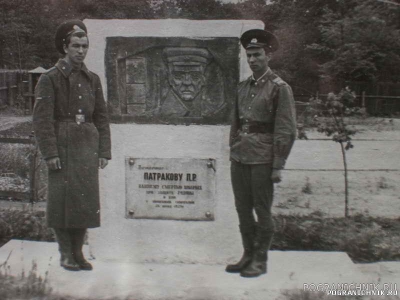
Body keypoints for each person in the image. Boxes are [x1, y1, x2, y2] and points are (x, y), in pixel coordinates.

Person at [33, 20, 111, 271]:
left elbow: (101, 116)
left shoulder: (93, 79)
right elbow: (42, 120)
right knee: (61, 201)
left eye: (84, 46)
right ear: (65, 47)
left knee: (84, 201)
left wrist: (104, 151)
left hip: (87, 145)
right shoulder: (50, 78)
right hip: (62, 146)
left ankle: (78, 253)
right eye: (76, 45)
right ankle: (65, 254)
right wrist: (50, 153)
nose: (81, 51)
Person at [226, 29, 296, 277]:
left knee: (262, 210)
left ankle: (260, 260)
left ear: (268, 56)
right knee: (242, 209)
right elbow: (235, 122)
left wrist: (278, 164)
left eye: (257, 55)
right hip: (240, 157)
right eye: (249, 55)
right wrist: (233, 149)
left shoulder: (279, 88)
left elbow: (286, 129)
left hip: (263, 159)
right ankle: (247, 254)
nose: (253, 60)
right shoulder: (243, 86)